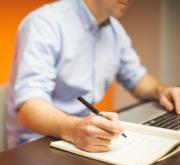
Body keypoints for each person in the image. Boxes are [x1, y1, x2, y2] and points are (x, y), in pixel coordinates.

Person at [7, 0, 180, 152]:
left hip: (86, 139)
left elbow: (136, 78)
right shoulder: (45, 23)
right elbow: (29, 106)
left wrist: (161, 90)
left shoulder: (115, 31)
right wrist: (73, 129)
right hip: (38, 144)